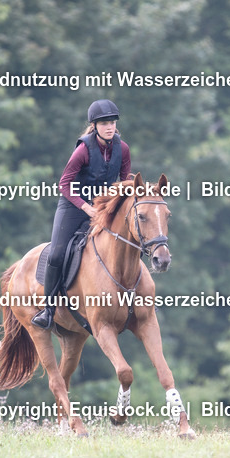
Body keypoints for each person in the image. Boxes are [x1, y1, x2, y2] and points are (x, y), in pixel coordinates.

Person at [32, 99, 131, 329]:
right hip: (72, 206)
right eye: (104, 123)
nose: (110, 127)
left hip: (102, 207)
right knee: (57, 254)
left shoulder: (122, 148)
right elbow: (64, 184)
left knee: (127, 241)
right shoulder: (83, 150)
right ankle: (48, 310)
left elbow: (126, 179)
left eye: (113, 122)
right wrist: (86, 208)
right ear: (94, 126)